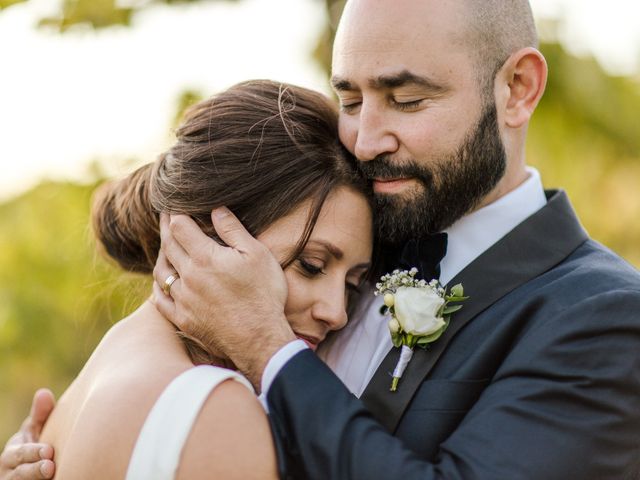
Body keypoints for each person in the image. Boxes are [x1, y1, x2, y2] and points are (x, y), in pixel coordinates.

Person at [4, 0, 640, 478]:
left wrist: (269, 349)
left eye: (407, 99)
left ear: (517, 89)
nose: (365, 141)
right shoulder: (344, 241)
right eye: (353, 100)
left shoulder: (605, 317)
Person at [0, 79, 373, 479]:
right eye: (311, 265)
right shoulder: (218, 414)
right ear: (205, 236)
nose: (337, 313)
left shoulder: (97, 376)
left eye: (352, 285)